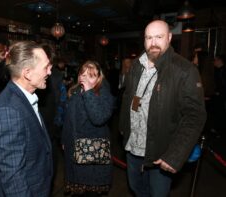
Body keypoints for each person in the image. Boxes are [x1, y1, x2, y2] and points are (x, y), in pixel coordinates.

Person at [119, 20, 206, 197]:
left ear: (169, 37)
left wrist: (174, 155)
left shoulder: (184, 70)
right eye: (149, 37)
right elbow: (128, 99)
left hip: (161, 151)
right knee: (137, 189)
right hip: (133, 147)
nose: (153, 43)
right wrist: (123, 128)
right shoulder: (136, 66)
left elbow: (195, 116)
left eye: (158, 37)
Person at [0, 41, 53, 197]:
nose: (50, 72)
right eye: (46, 67)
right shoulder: (8, 111)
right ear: (27, 73)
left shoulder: (25, 97)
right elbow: (13, 177)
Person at [61, 60, 115, 197]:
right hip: (73, 148)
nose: (84, 78)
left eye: (91, 75)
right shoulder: (74, 92)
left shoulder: (104, 94)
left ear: (99, 78)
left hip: (92, 152)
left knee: (91, 191)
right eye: (82, 74)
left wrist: (89, 91)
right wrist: (64, 140)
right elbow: (68, 120)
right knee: (77, 191)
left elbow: (98, 118)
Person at [213, 54, 226, 134]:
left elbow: (223, 83)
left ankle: (219, 130)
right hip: (219, 95)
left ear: (219, 61)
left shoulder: (222, 71)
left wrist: (220, 92)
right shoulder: (217, 70)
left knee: (220, 113)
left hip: (222, 96)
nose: (213, 62)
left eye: (215, 60)